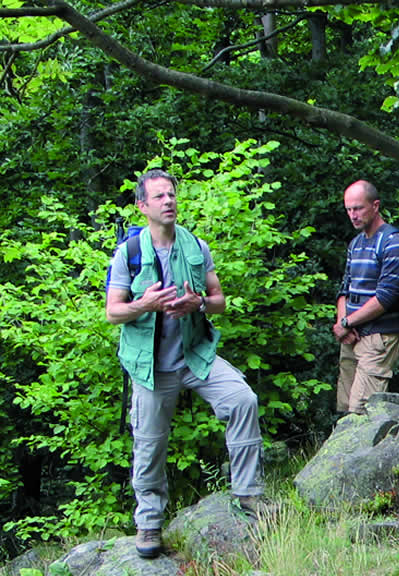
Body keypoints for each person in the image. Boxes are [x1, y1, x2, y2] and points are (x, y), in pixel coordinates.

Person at [106, 169, 268, 559]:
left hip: (195, 354)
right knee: (149, 444)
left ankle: (249, 496)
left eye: (172, 195)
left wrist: (199, 303)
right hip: (150, 366)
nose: (169, 201)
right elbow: (113, 313)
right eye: (159, 197)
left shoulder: (195, 246)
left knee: (242, 399)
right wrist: (144, 305)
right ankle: (149, 524)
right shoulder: (129, 253)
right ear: (142, 206)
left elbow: (219, 300)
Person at [333, 180, 399, 416]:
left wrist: (348, 322)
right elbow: (344, 289)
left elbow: (385, 298)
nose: (353, 215)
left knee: (362, 412)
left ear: (375, 205)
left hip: (379, 336)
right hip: (351, 335)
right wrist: (342, 325)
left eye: (358, 208)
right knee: (345, 408)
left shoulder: (393, 242)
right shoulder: (355, 243)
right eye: (348, 209)